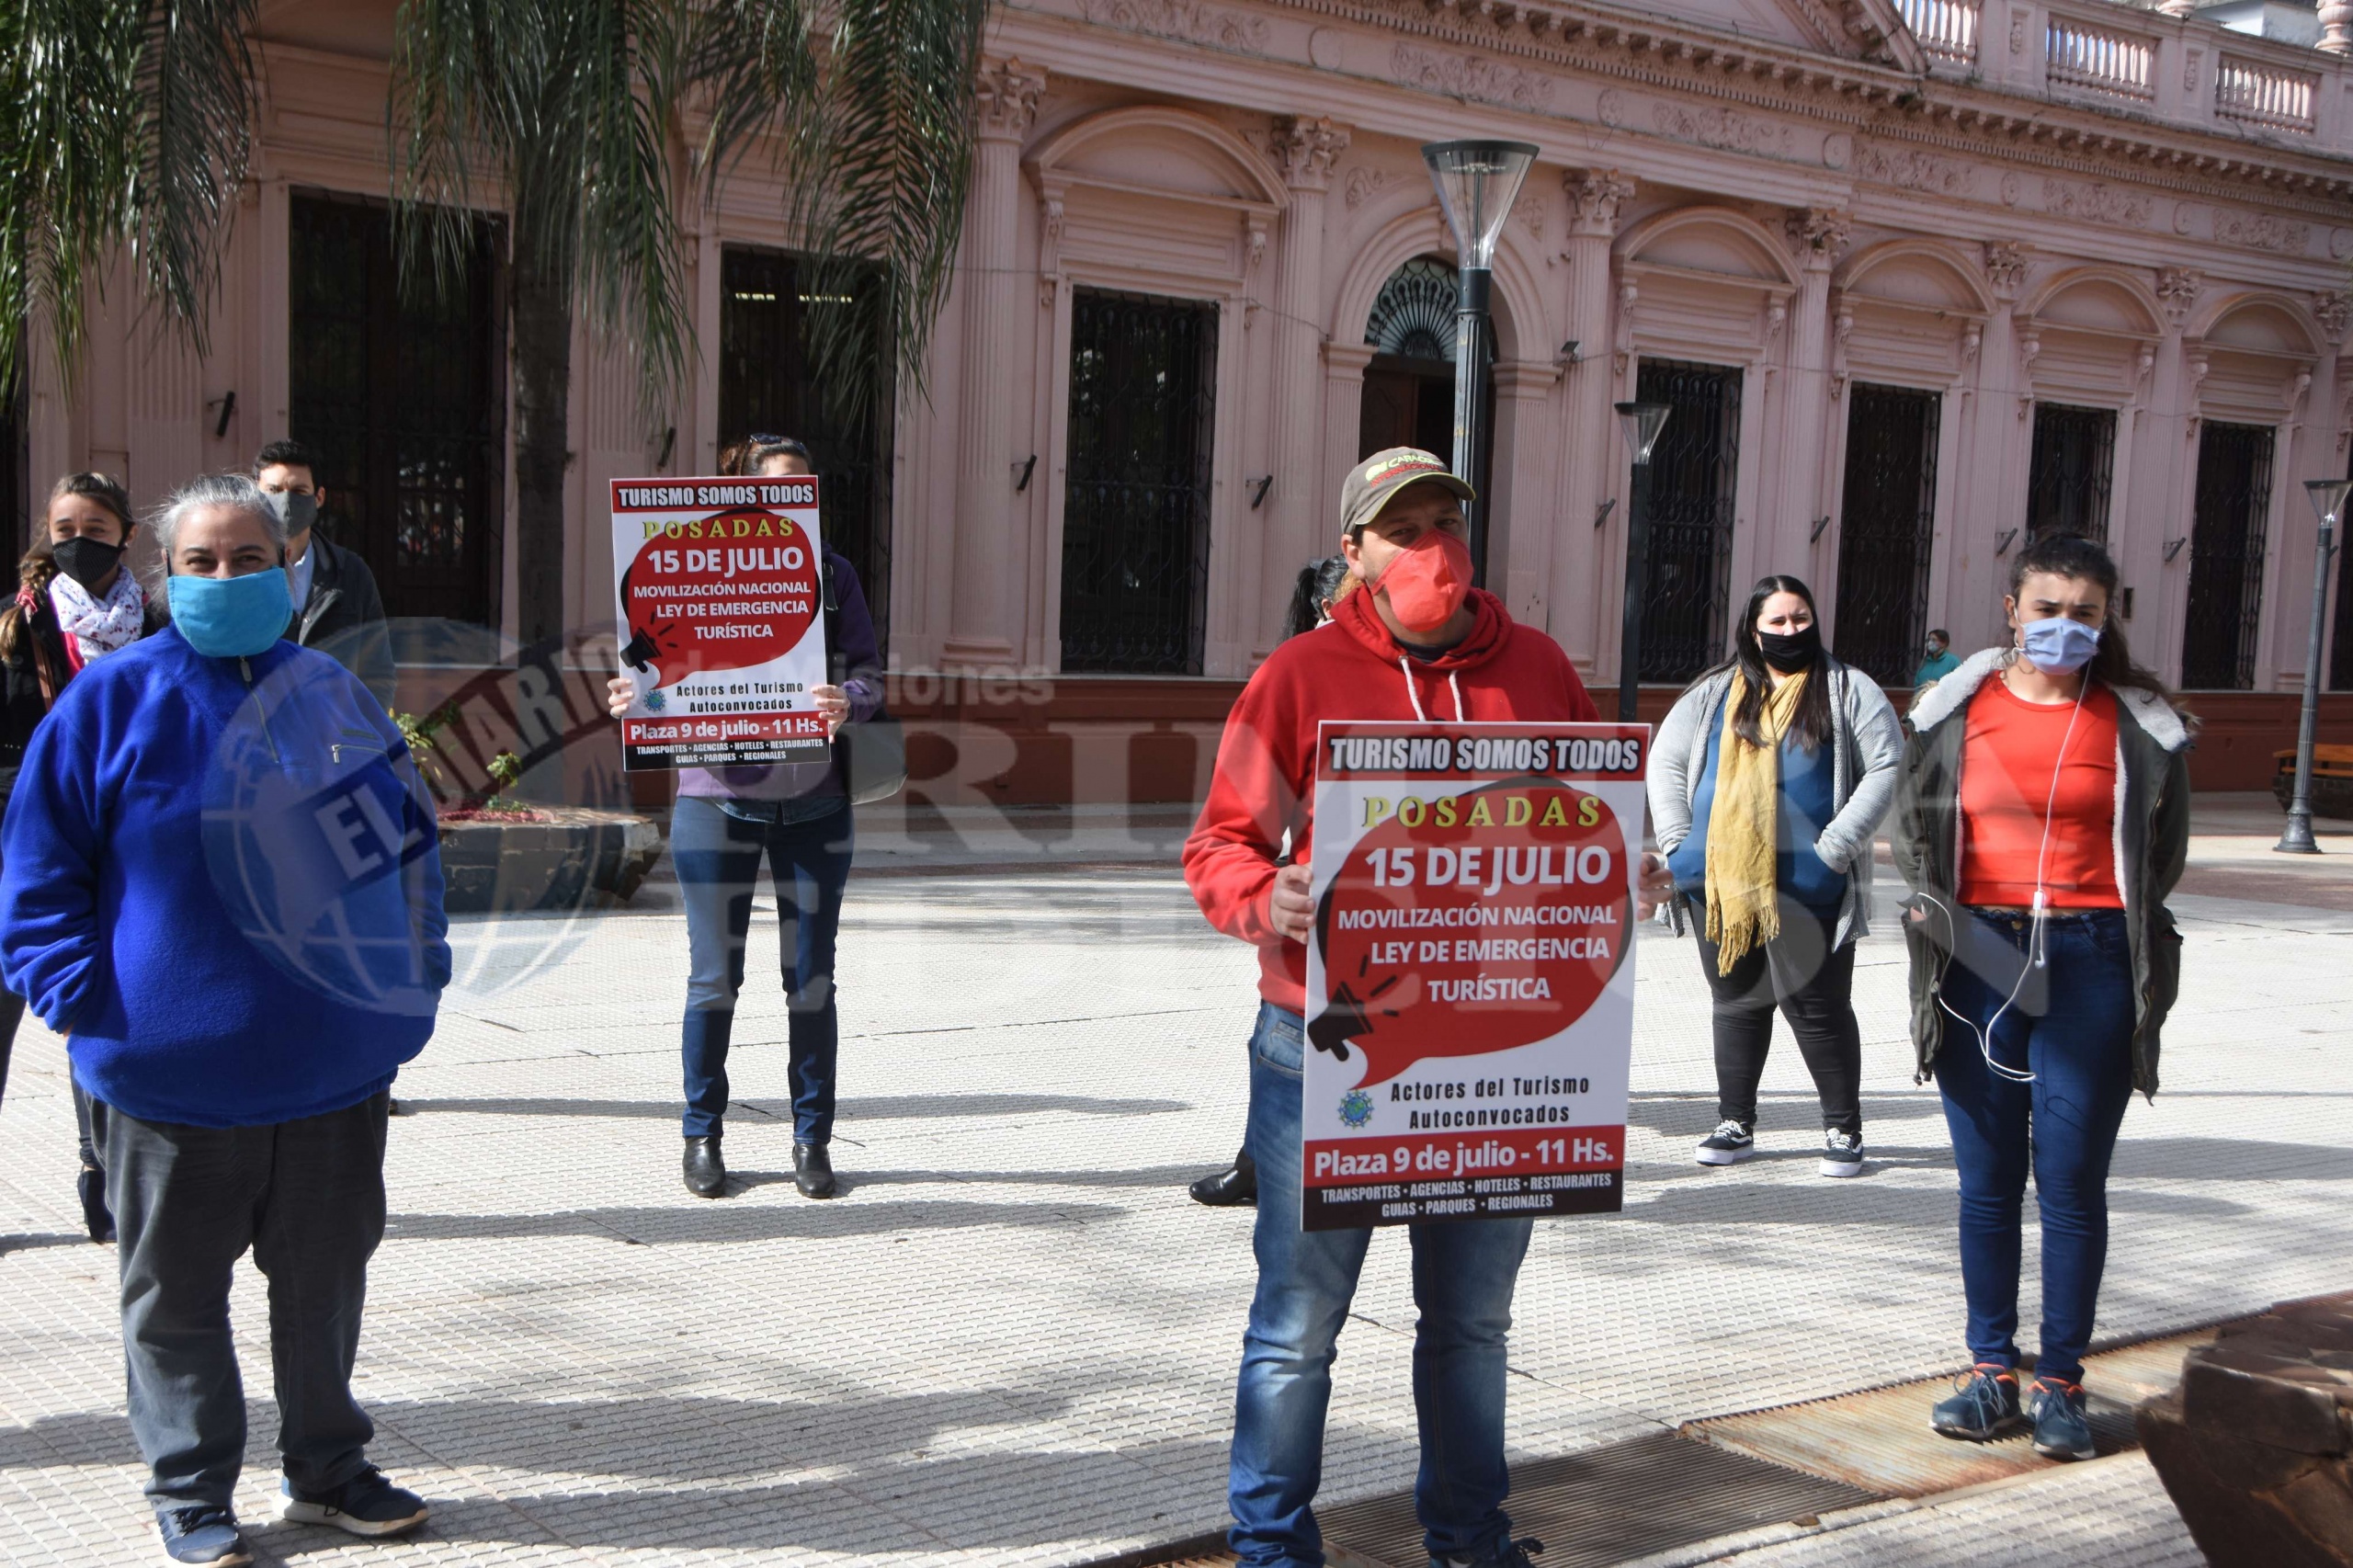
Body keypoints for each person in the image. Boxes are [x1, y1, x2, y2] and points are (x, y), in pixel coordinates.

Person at [1183, 448, 1673, 1568]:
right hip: (1324, 1045)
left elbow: (1594, 822)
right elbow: (1218, 842)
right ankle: (1270, 1546)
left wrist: (1630, 868)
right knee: (1298, 1328)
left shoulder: (1541, 668)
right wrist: (1268, 893)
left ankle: (1468, 1533)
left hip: (1495, 1053)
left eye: (1447, 518)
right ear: (1353, 552)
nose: (1432, 547)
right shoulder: (1297, 676)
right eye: (1403, 528)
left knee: (1471, 1325)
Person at [0, 472, 448, 1564]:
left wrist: (411, 982)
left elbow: (407, 849)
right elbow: (38, 874)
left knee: (324, 1287)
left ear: (289, 569)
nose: (225, 577)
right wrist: (84, 1002)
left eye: (249, 558)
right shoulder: (108, 702)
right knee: (175, 1300)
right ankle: (192, 1487)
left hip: (333, 1072)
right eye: (199, 561)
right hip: (168, 1082)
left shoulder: (335, 699)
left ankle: (329, 1468)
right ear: (165, 577)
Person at [1890, 532, 2191, 1464]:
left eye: (2084, 612)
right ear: (2012, 611)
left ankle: (2059, 1378)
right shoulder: (1952, 711)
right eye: (2047, 607)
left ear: (2107, 621)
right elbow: (1914, 831)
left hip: (2092, 951)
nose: (2064, 625)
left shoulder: (2139, 724)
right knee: (1985, 1182)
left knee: (2067, 1180)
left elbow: (2161, 856)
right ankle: (1991, 1373)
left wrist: (2086, 921)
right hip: (1977, 948)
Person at [605, 433, 883, 1200]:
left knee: (811, 982)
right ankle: (702, 1137)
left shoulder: (833, 575)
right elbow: (651, 665)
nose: (793, 498)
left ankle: (811, 1139)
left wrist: (848, 701)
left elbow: (870, 673)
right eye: (777, 486)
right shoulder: (691, 570)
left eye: (805, 486)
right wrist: (637, 701)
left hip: (817, 806)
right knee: (713, 981)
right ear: (746, 497)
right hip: (713, 802)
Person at [1648, 575, 1903, 1176]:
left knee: (1817, 1008)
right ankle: (1736, 1123)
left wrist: (1835, 847)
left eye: (1801, 618)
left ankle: (1844, 1130)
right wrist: (1678, 844)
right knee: (1736, 1004)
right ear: (1753, 627)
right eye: (1779, 621)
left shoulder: (1846, 689)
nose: (1792, 631)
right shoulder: (1715, 691)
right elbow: (1667, 758)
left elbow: (1886, 765)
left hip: (1808, 882)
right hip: (1719, 881)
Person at [0, 472, 166, 1244]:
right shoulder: (16, 624)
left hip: (125, 850)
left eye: (96, 528)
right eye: (64, 527)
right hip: (23, 844)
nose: (78, 541)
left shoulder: (159, 622)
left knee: (99, 1006)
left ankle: (100, 1164)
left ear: (125, 534)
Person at [1189, 553, 1356, 1210]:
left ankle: (1269, 1160)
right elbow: (1230, 832)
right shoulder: (1305, 668)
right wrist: (1263, 890)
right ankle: (1264, 1161)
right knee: (1286, 1040)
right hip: (1319, 924)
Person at [254, 438, 394, 710]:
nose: (285, 501)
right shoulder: (235, 572)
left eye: (298, 490)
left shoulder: (351, 573)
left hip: (332, 740)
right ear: (256, 494)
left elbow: (377, 671)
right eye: (273, 490)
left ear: (319, 497)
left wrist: (360, 735)